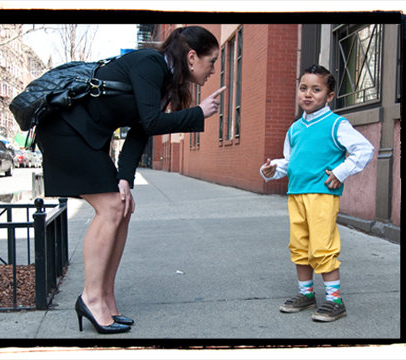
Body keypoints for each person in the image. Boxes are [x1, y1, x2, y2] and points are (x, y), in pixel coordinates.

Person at [36, 26, 226, 334]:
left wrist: (125, 178)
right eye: (212, 61)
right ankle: (91, 297)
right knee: (110, 208)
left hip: (87, 136)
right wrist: (198, 113)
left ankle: (106, 298)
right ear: (192, 57)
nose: (212, 69)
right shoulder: (150, 64)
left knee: (122, 205)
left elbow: (141, 129)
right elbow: (151, 121)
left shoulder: (164, 79)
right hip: (66, 131)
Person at [260, 65, 374, 322]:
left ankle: (335, 301)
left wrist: (340, 172)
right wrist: (272, 170)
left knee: (322, 247)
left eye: (316, 89)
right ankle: (307, 295)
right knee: (299, 247)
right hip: (296, 195)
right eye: (303, 88)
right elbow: (291, 162)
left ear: (330, 95)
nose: (308, 94)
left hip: (321, 196)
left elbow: (363, 150)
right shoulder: (294, 129)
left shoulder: (336, 124)